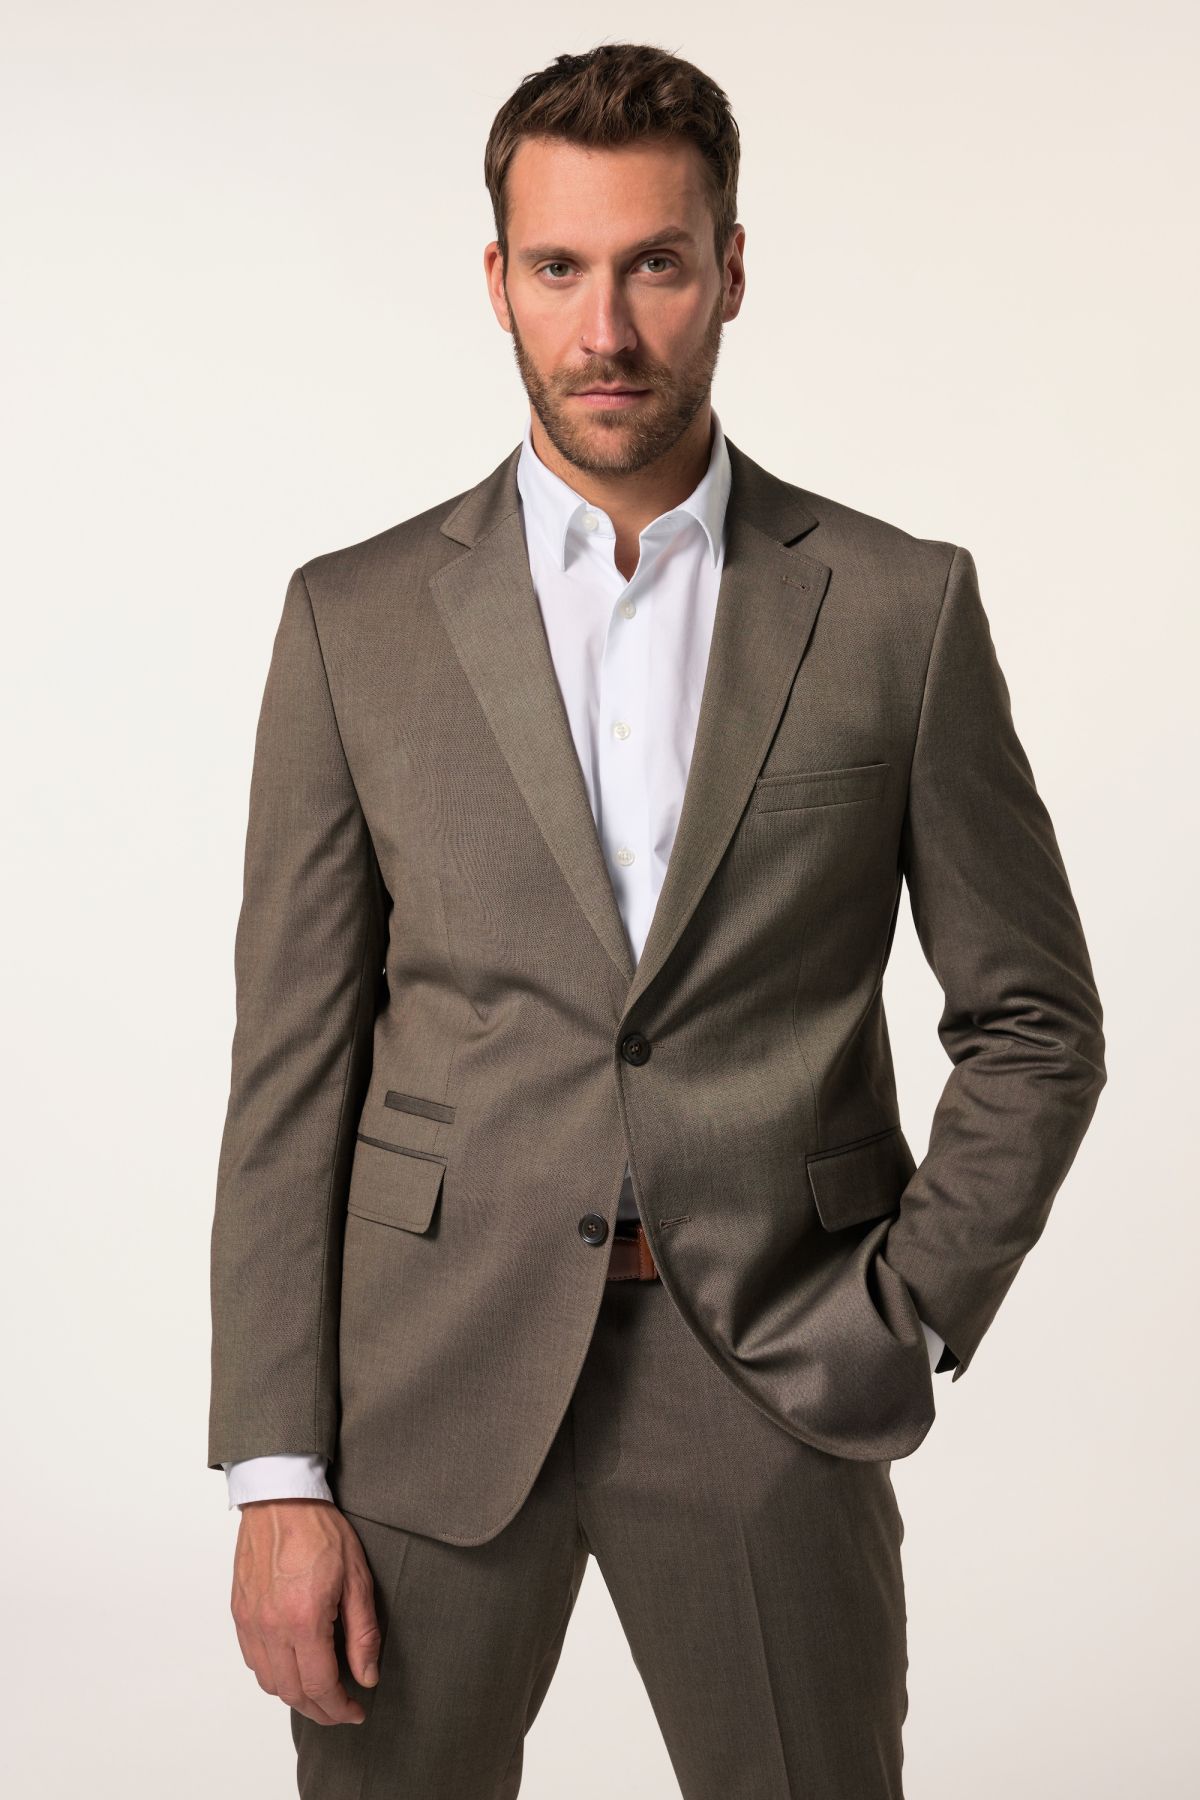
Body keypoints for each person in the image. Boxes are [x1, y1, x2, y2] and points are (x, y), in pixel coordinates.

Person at [207, 41, 1107, 1799]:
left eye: (656, 265)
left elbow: (1035, 1022)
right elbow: (289, 1075)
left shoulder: (898, 609)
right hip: (428, 1383)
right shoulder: (352, 623)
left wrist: (911, 1310)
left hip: (778, 1374)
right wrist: (276, 1473)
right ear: (497, 281)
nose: (605, 327)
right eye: (560, 267)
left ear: (732, 271)